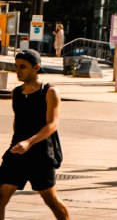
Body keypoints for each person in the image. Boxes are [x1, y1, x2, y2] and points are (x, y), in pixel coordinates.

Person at [0, 49, 69, 219]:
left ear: (36, 68)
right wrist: (17, 144)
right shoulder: (16, 93)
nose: (18, 71)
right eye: (16, 66)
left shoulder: (49, 92)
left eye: (23, 67)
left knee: (50, 199)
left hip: (41, 153)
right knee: (0, 197)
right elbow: (18, 121)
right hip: (17, 151)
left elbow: (52, 124)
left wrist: (29, 142)